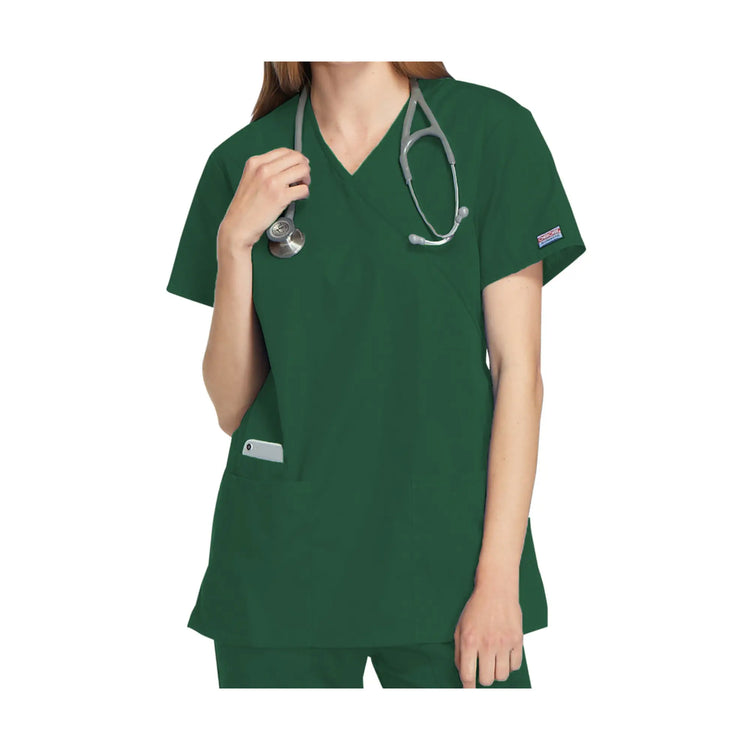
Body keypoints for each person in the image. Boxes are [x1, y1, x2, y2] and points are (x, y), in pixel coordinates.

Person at [166, 61, 587, 689]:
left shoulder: (490, 132)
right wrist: (233, 243)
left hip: (448, 559)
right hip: (285, 562)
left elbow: (518, 375)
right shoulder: (246, 164)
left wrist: (500, 582)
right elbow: (233, 407)